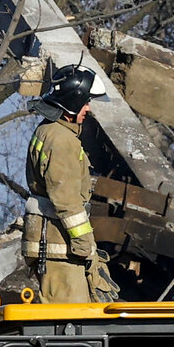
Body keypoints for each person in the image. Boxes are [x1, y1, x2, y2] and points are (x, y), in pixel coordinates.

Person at [23, 64, 113, 303]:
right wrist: (85, 246)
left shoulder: (50, 132)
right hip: (60, 250)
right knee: (68, 326)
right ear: (72, 103)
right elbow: (67, 200)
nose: (88, 108)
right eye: (85, 102)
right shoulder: (61, 140)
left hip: (55, 247)